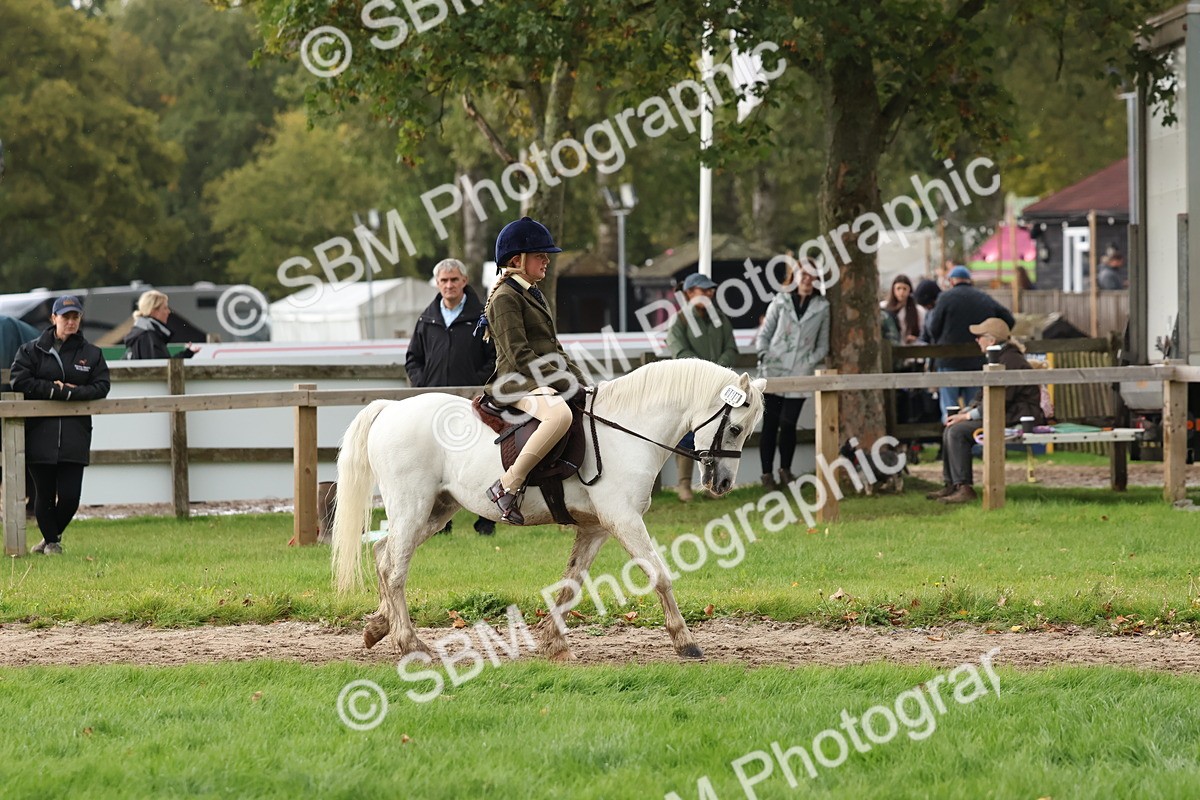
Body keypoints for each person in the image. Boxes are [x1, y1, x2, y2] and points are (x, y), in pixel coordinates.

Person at [482, 217, 588, 525]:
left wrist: (583, 384)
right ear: (518, 260)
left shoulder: (532, 293)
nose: (547, 261)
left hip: (538, 380)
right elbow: (520, 356)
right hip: (515, 383)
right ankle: (507, 485)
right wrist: (565, 383)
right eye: (540, 255)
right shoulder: (505, 298)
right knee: (559, 415)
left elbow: (555, 350)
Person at [10, 296, 111, 554]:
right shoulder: (31, 350)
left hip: (75, 435)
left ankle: (49, 538)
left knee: (70, 497)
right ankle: (53, 543)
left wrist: (70, 394)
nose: (70, 322)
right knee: (43, 495)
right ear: (53, 318)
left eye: (75, 317)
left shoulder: (92, 353)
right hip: (39, 433)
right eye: (65, 317)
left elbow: (102, 386)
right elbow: (20, 380)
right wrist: (54, 392)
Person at [407, 258, 497, 535]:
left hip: (472, 403)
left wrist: (475, 383)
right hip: (434, 404)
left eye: (454, 280)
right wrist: (424, 385)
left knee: (479, 459)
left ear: (464, 282)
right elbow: (413, 359)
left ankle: (487, 519)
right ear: (437, 283)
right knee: (436, 462)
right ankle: (440, 524)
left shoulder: (482, 316)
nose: (449, 285)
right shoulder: (427, 318)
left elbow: (494, 357)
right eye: (444, 281)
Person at [927, 318, 1044, 504]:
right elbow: (983, 396)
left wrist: (966, 416)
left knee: (957, 431)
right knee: (951, 427)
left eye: (979, 336)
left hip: (1016, 416)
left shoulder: (1010, 360)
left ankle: (964, 488)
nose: (976, 340)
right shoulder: (1000, 358)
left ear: (991, 340)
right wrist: (965, 412)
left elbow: (1000, 399)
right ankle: (953, 484)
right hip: (1004, 413)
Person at [756, 261, 829, 488]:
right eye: (803, 274)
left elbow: (823, 345)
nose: (807, 279)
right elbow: (765, 334)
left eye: (811, 275)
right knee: (770, 425)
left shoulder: (822, 307)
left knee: (789, 425)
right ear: (795, 276)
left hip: (800, 373)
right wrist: (765, 356)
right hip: (774, 371)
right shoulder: (780, 301)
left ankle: (786, 470)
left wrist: (807, 362)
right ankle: (767, 474)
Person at [665, 272, 738, 501]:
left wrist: (719, 371)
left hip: (719, 388)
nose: (709, 293)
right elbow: (680, 352)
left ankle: (712, 483)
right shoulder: (679, 321)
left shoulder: (721, 319)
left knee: (717, 434)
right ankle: (684, 484)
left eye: (710, 290)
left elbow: (732, 348)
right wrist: (706, 373)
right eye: (703, 290)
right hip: (691, 389)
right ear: (689, 294)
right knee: (688, 435)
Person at [924, 266, 1015, 421]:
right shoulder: (983, 297)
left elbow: (933, 329)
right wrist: (993, 336)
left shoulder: (945, 298)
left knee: (949, 408)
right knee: (973, 407)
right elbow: (1009, 319)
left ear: (952, 281)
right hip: (977, 360)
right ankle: (972, 443)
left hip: (948, 360)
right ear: (969, 281)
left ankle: (949, 442)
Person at [122, 290, 201, 360]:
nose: (169, 312)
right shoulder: (148, 336)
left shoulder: (144, 333)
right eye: (165, 308)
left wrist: (187, 353)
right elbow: (160, 369)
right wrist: (187, 354)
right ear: (153, 311)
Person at [881, 275, 924, 345]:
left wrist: (915, 338)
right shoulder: (884, 306)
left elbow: (923, 332)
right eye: (898, 288)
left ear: (909, 290)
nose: (901, 292)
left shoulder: (918, 310)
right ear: (893, 290)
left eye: (904, 289)